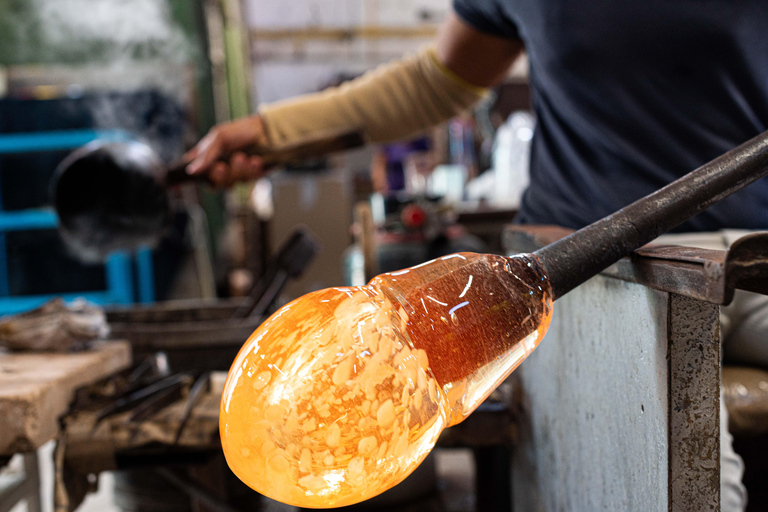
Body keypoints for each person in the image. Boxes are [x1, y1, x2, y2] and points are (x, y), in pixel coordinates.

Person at [187, 2, 768, 509]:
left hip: (755, 252)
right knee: (695, 484)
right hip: (600, 273)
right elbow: (437, 82)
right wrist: (274, 132)